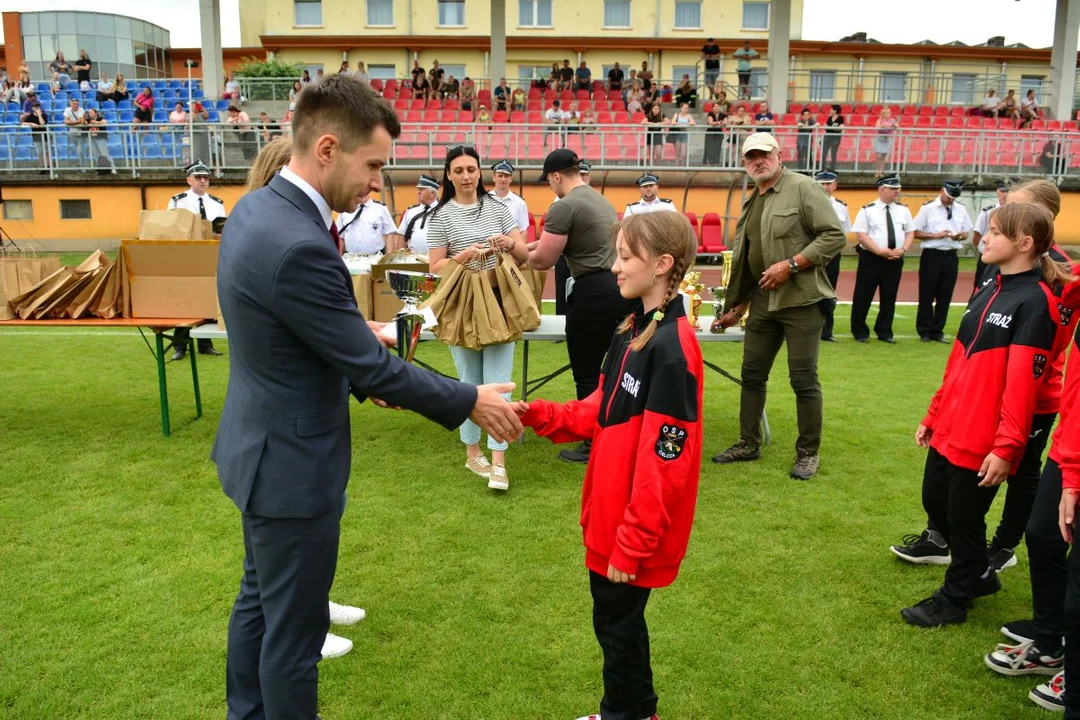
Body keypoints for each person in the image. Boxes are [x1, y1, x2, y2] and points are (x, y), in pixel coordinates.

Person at [215, 74, 521, 719]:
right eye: (374, 163)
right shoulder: (298, 240)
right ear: (327, 148)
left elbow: (295, 334)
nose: (379, 181)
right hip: (291, 467)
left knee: (258, 606)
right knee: (292, 637)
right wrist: (470, 400)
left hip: (258, 448)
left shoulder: (258, 210)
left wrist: (362, 350)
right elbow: (373, 370)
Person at [516, 211, 703, 720]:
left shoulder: (672, 349)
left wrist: (634, 542)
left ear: (663, 265)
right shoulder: (632, 328)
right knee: (616, 627)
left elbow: (665, 465)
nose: (614, 268)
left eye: (625, 257)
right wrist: (536, 414)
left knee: (618, 629)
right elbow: (600, 409)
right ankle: (634, 711)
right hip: (608, 517)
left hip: (628, 531)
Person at [901, 202, 1073, 628]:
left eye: (995, 232)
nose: (986, 238)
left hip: (982, 437)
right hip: (951, 426)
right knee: (937, 503)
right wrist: (934, 413)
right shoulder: (990, 285)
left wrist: (1006, 447)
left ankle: (956, 597)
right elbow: (958, 361)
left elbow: (1022, 389)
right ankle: (979, 574)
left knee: (963, 518)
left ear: (1024, 244)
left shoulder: (1036, 303)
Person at [240, 135, 372, 663]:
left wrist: (361, 342)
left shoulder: (274, 227)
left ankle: (312, 600)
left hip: (287, 430)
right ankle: (307, 617)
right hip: (287, 440)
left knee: (282, 566)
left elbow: (320, 328)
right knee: (277, 587)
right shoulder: (288, 240)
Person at [711, 133, 845, 480]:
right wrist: (737, 306)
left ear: (779, 155)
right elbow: (747, 261)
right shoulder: (752, 201)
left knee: (803, 379)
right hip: (761, 303)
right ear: (744, 163)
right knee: (752, 375)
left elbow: (833, 236)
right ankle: (748, 442)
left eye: (764, 154)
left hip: (802, 301)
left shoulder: (803, 187)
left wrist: (793, 264)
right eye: (751, 157)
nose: (758, 161)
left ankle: (808, 453)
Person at [426, 144, 528, 491]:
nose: (467, 176)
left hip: (500, 303)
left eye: (472, 169)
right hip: (463, 307)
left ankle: (499, 460)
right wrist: (463, 257)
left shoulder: (498, 208)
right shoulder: (440, 216)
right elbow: (435, 267)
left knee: (500, 381)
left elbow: (525, 253)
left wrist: (508, 244)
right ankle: (473, 454)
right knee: (469, 381)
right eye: (459, 171)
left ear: (479, 172)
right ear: (449, 175)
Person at [529, 149, 637, 464]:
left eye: (549, 180)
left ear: (557, 176)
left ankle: (592, 441)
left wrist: (515, 252)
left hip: (590, 293)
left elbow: (543, 260)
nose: (550, 187)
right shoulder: (599, 200)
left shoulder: (564, 206)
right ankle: (616, 433)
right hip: (617, 289)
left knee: (587, 372)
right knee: (615, 370)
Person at [168, 162, 226, 360]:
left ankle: (205, 343)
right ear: (189, 179)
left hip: (209, 256)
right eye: (199, 177)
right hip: (186, 257)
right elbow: (172, 229)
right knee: (184, 300)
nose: (203, 180)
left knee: (207, 297)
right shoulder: (178, 201)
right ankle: (180, 345)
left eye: (206, 177)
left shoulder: (217, 203)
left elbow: (221, 230)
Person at [849, 174, 914, 344]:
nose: (896, 192)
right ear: (882, 189)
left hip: (895, 258)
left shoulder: (903, 210)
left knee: (889, 296)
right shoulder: (867, 210)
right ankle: (860, 331)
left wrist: (903, 249)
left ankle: (884, 330)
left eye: (897, 189)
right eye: (893, 189)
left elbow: (909, 232)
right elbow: (861, 235)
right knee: (863, 295)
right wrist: (879, 251)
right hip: (872, 258)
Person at [912, 181, 972, 343]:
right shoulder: (928, 208)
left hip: (951, 255)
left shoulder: (960, 209)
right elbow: (915, 231)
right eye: (948, 196)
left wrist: (958, 236)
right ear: (941, 191)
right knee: (927, 294)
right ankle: (924, 330)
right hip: (932, 255)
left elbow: (966, 232)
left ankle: (938, 330)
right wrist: (935, 235)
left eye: (953, 198)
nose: (950, 200)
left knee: (945, 295)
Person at [814, 171, 851, 342]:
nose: (825, 187)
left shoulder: (841, 207)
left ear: (835, 185)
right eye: (822, 183)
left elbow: (844, 233)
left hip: (832, 256)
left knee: (829, 293)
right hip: (811, 254)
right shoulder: (808, 204)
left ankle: (827, 331)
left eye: (829, 183)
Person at [972, 179, 1012, 290]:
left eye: (1007, 191)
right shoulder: (987, 212)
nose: (1005, 194)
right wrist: (982, 249)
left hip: (1006, 258)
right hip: (988, 256)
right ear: (997, 192)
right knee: (981, 288)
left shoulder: (1016, 213)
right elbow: (977, 234)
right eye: (1002, 191)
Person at [397, 174, 440, 254]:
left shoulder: (443, 211)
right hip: (413, 261)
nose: (418, 192)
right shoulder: (410, 211)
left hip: (436, 261)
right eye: (418, 189)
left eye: (422, 189)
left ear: (433, 193)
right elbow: (401, 237)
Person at [489, 160, 530, 235]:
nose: (503, 179)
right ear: (494, 178)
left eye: (506, 176)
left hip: (511, 246)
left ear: (511, 179)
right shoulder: (485, 199)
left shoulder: (520, 203)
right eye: (500, 176)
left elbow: (523, 231)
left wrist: (521, 246)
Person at [85, 108, 116, 174]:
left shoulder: (100, 118)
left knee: (105, 154)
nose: (90, 113)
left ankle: (113, 168)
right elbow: (83, 123)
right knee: (97, 155)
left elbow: (105, 122)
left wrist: (96, 122)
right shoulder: (88, 120)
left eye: (92, 112)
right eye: (89, 112)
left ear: (96, 113)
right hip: (92, 139)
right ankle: (100, 169)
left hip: (101, 138)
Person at [62, 98, 89, 167]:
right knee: (77, 151)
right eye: (74, 104)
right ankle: (81, 165)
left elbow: (81, 121)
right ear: (71, 104)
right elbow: (66, 121)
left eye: (77, 104)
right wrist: (75, 123)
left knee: (80, 151)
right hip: (72, 132)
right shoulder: (67, 110)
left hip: (80, 133)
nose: (75, 105)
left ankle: (83, 167)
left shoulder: (81, 110)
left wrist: (71, 122)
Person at [873, 107, 897, 175]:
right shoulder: (879, 120)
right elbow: (877, 127)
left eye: (888, 113)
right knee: (878, 156)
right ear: (882, 114)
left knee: (884, 156)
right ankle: (877, 171)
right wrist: (883, 125)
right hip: (879, 138)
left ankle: (881, 171)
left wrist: (891, 125)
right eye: (885, 113)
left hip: (887, 139)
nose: (887, 114)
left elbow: (896, 125)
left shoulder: (892, 120)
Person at [822, 104, 844, 171]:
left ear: (835, 110)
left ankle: (832, 169)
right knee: (824, 153)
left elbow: (841, 128)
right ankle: (823, 168)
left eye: (831, 109)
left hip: (835, 138)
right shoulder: (829, 118)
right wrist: (829, 128)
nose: (830, 110)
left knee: (833, 154)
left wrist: (832, 128)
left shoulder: (840, 118)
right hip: (828, 137)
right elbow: (826, 128)